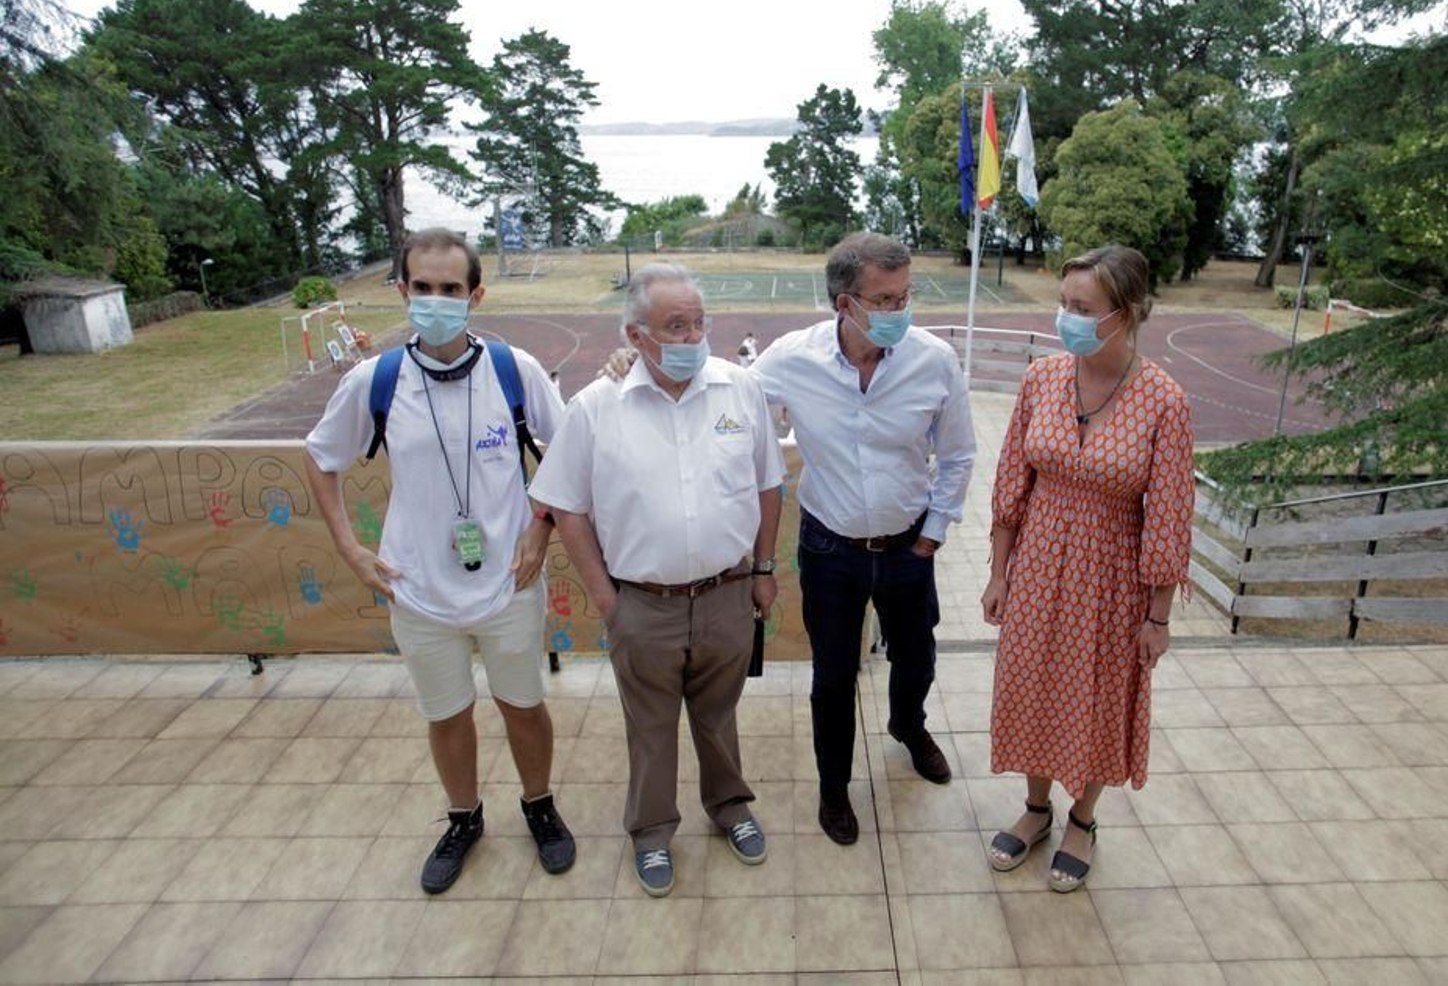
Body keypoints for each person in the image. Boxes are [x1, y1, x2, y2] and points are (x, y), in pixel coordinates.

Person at [304, 227, 575, 895]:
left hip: (509, 582)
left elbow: (571, 454)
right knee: (447, 714)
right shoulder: (376, 380)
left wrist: (540, 529)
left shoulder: (514, 370)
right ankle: (463, 819)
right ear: (402, 290)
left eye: (450, 288)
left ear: (475, 295)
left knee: (523, 705)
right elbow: (320, 458)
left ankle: (539, 805)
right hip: (417, 587)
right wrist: (350, 548)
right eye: (422, 287)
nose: (436, 300)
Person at [530, 263, 783, 897]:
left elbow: (767, 484)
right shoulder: (595, 407)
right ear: (635, 335)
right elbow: (567, 507)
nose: (692, 336)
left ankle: (729, 806)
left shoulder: (739, 389)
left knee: (719, 715)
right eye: (675, 326)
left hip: (728, 593)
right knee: (650, 726)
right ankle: (650, 831)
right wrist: (606, 598)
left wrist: (763, 569)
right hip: (641, 604)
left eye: (699, 323)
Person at [981, 244, 1194, 892]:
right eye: (1064, 304)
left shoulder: (1164, 401)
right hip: (1038, 562)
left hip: (1112, 576)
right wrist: (999, 572)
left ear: (1123, 313)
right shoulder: (1042, 379)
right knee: (1030, 685)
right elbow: (1011, 480)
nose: (1066, 318)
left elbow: (1169, 517)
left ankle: (1082, 818)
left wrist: (1157, 617)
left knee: (1099, 695)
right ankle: (1036, 807)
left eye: (1082, 307)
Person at [752, 232, 976, 845]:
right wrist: (629, 365)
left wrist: (933, 533)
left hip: (908, 546)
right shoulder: (791, 358)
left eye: (906, 296)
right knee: (832, 676)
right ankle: (834, 787)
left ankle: (909, 726)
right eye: (884, 300)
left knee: (917, 657)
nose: (900, 311)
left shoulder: (933, 360)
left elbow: (958, 455)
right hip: (830, 548)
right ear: (844, 304)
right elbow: (726, 398)